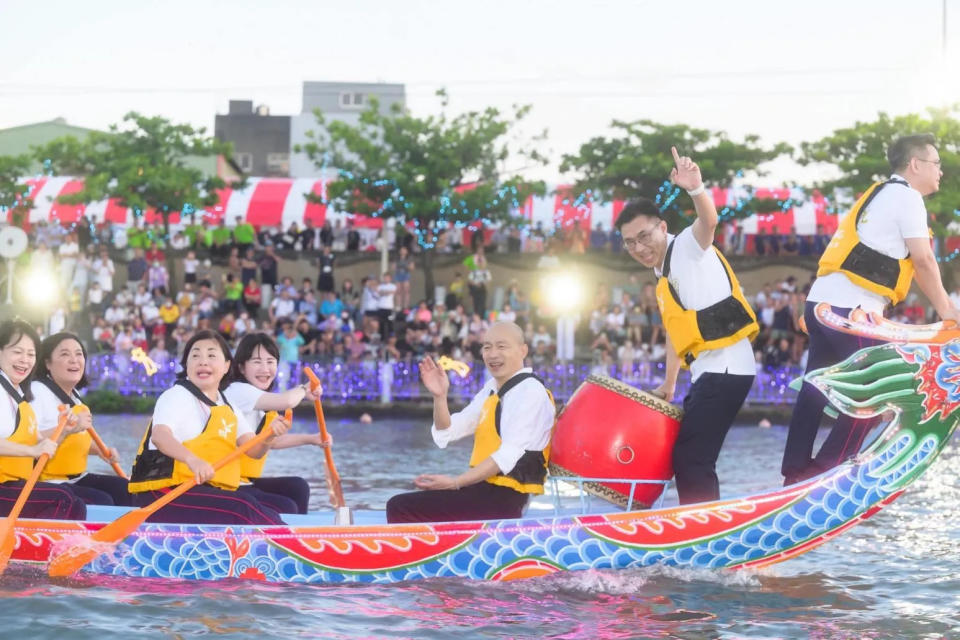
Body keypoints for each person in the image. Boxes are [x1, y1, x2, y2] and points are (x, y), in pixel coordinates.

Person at [781, 134, 959, 484]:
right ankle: (825, 475)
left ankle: (794, 472)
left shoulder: (879, 192)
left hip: (823, 305)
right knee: (873, 395)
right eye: (936, 164)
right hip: (852, 314)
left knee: (816, 388)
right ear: (916, 165)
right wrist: (949, 312)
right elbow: (923, 260)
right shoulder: (907, 197)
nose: (940, 171)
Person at [615, 147, 757, 505]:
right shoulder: (661, 270)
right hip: (709, 372)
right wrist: (669, 383)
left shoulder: (688, 247)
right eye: (630, 242)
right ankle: (699, 523)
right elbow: (675, 330)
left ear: (662, 227)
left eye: (644, 236)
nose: (638, 247)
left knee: (693, 458)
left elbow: (708, 222)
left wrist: (695, 189)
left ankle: (703, 529)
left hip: (727, 368)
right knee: (687, 457)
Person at [386, 321, 556, 523]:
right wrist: (439, 397)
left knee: (400, 507)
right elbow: (449, 430)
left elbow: (507, 456)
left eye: (501, 346)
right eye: (487, 347)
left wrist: (455, 483)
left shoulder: (530, 392)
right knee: (407, 502)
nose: (492, 354)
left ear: (523, 350)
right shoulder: (492, 390)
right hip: (485, 490)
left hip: (505, 499)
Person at [127, 330, 291, 524]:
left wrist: (269, 437)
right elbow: (160, 436)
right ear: (186, 365)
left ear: (226, 366)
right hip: (163, 493)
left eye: (211, 355)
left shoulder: (228, 405)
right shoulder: (175, 396)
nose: (203, 361)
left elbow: (254, 450)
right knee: (243, 507)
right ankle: (298, 549)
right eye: (195, 355)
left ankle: (290, 542)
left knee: (267, 510)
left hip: (200, 489)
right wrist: (192, 460)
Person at [224, 333, 330, 514]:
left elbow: (270, 441)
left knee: (298, 486)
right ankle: (284, 538)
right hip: (226, 483)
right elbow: (287, 401)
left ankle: (298, 537)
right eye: (257, 362)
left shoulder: (263, 402)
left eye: (270, 362)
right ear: (241, 367)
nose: (265, 369)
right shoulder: (237, 391)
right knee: (286, 506)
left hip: (245, 480)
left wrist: (312, 439)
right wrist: (305, 389)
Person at [30, 333, 131, 506]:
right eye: (64, 354)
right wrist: (71, 427)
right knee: (102, 501)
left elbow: (73, 441)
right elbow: (30, 439)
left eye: (79, 354)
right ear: (47, 363)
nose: (74, 360)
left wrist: (99, 450)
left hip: (74, 478)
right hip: (46, 483)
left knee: (125, 489)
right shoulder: (37, 392)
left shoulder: (75, 397)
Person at [0, 321, 86, 520]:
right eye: (17, 352)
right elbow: (34, 448)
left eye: (31, 355)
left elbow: (38, 441)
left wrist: (64, 429)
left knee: (76, 503)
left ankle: (71, 550)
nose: (25, 360)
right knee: (62, 498)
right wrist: (32, 451)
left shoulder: (17, 395)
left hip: (12, 486)